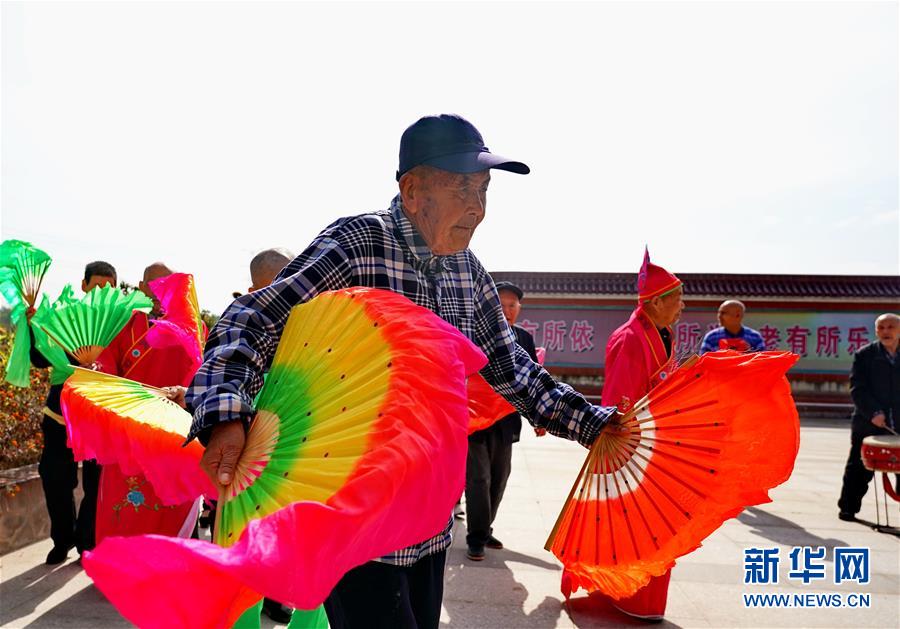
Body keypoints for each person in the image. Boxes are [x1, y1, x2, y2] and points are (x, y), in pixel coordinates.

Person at [186, 113, 618, 629]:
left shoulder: (468, 272)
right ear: (412, 190)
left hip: (430, 515)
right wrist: (225, 414)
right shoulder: (358, 244)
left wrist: (594, 425)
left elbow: (513, 369)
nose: (478, 208)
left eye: (483, 190)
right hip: (355, 513)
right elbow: (252, 319)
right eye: (462, 188)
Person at [593, 249, 684, 621]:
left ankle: (643, 599)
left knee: (657, 528)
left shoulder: (662, 334)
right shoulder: (630, 338)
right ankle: (626, 595)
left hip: (660, 444)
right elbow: (619, 399)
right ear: (656, 302)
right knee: (632, 526)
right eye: (677, 300)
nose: (681, 307)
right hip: (634, 448)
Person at [93, 262, 203, 545]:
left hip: (175, 435)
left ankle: (173, 572)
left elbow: (202, 375)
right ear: (141, 287)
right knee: (126, 509)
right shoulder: (124, 324)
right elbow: (106, 369)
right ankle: (122, 574)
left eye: (165, 284)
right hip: (129, 432)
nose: (158, 291)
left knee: (174, 506)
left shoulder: (194, 327)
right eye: (151, 285)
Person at [28, 261, 116, 564]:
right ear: (83, 285)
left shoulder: (122, 322)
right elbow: (39, 360)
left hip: (100, 411)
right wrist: (33, 327)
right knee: (55, 477)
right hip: (59, 411)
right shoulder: (64, 316)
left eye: (110, 287)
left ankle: (87, 542)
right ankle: (61, 539)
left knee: (97, 481)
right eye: (97, 286)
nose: (103, 292)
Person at [464, 280, 538, 561]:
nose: (506, 310)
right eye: (501, 304)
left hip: (505, 420)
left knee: (499, 477)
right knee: (479, 478)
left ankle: (484, 528)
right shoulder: (474, 335)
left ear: (519, 309)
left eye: (512, 305)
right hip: (473, 421)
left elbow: (533, 380)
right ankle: (475, 537)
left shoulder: (524, 339)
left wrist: (537, 418)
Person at [837, 312, 900, 521]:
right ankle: (848, 508)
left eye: (890, 327)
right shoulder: (865, 355)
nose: (886, 332)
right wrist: (874, 412)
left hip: (898, 421)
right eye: (881, 328)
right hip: (868, 420)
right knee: (858, 465)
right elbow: (858, 388)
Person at [699, 300, 766, 354]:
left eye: (723, 313)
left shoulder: (754, 337)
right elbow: (703, 364)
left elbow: (762, 363)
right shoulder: (712, 337)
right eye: (719, 313)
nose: (719, 316)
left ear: (738, 315)